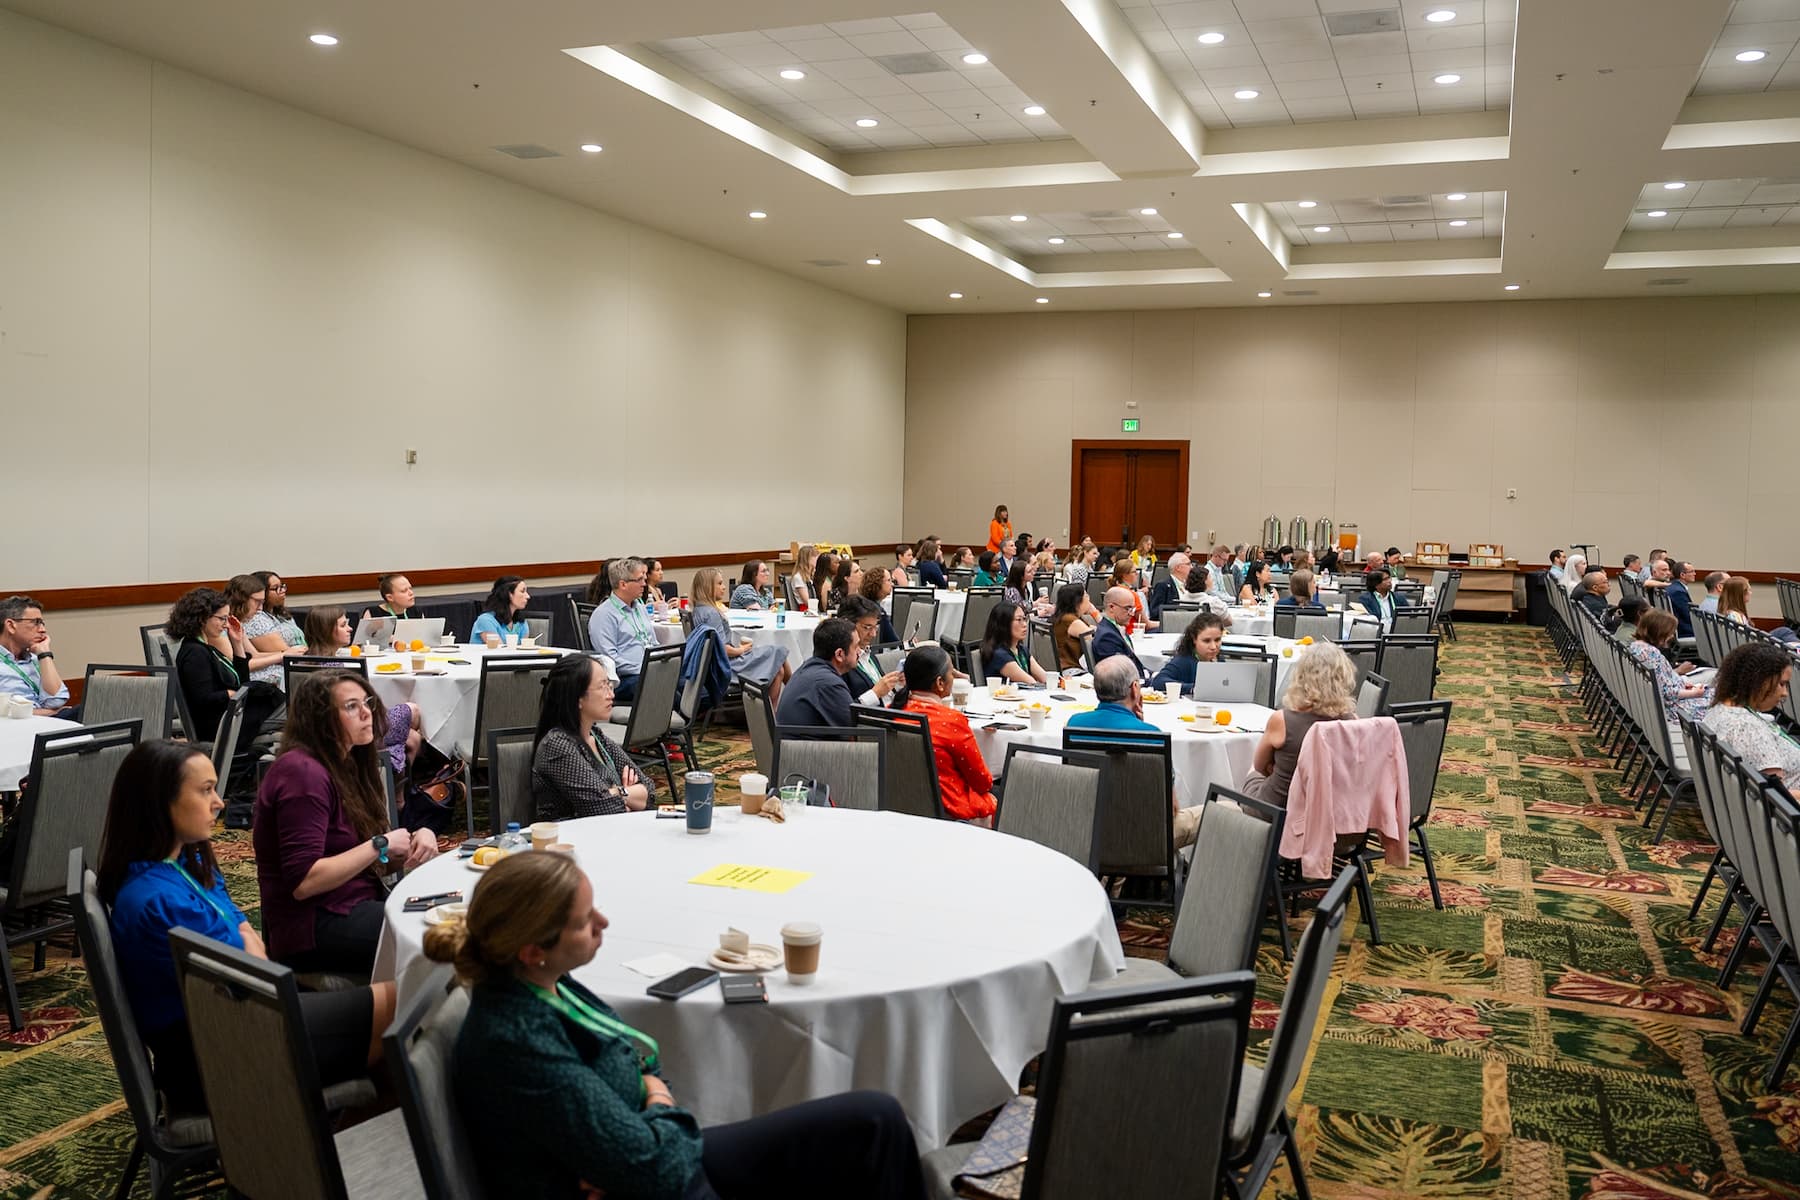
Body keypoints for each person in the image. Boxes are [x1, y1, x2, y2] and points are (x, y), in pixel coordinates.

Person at [422, 852, 925, 1200]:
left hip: (641, 1159)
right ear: (533, 950)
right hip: (644, 1185)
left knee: (875, 1120)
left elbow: (640, 1056)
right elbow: (656, 1168)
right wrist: (656, 1105)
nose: (604, 923)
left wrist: (644, 1115)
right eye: (583, 921)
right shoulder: (517, 1039)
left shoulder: (545, 981)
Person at [99, 740, 395, 1116]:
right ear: (161, 802)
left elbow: (234, 915)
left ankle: (353, 1137)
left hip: (238, 1023)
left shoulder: (179, 863)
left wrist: (245, 937)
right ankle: (343, 1152)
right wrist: (249, 943)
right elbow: (257, 975)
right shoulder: (159, 901)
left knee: (400, 1006)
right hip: (226, 1053)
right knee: (407, 1003)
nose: (220, 802)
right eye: (205, 790)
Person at [253, 669, 439, 976]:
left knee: (448, 912)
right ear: (320, 718)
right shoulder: (302, 773)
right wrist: (380, 844)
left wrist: (412, 842)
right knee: (437, 934)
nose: (367, 712)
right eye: (352, 706)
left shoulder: (345, 764)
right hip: (311, 927)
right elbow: (304, 883)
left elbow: (365, 860)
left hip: (352, 903)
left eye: (366, 702)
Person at [1068, 656, 1198, 847]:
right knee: (1230, 811)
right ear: (1135, 688)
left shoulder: (1074, 725)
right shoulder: (1152, 736)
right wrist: (1141, 726)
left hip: (1089, 835)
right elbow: (1171, 808)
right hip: (1144, 839)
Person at [531, 654, 654, 819]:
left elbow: (649, 790)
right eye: (602, 687)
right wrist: (624, 793)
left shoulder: (596, 736)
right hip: (568, 839)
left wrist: (616, 792)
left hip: (609, 833)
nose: (611, 695)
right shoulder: (557, 744)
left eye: (609, 686)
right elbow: (602, 807)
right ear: (578, 698)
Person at [1242, 641, 1358, 809]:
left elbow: (1260, 766)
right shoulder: (1352, 722)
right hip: (1323, 812)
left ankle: (1236, 825)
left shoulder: (1282, 720)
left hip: (1275, 810)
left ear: (1301, 676)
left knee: (1252, 770)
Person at [893, 645, 996, 824]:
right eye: (951, 674)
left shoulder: (891, 712)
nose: (954, 678)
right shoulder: (951, 721)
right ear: (940, 683)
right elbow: (982, 782)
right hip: (948, 811)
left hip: (899, 805)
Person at [167, 586, 282, 744]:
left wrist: (237, 643)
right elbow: (202, 699)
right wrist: (230, 694)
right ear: (202, 618)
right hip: (220, 725)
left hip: (229, 715)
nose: (226, 624)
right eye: (222, 618)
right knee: (298, 717)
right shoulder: (195, 653)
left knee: (291, 709)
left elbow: (239, 681)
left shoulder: (205, 648)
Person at [690, 568, 792, 707]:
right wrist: (741, 650)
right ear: (708, 587)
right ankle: (791, 698)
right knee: (779, 651)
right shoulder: (711, 614)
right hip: (726, 667)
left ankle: (773, 715)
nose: (724, 587)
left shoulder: (699, 610)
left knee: (778, 669)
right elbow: (722, 649)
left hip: (715, 665)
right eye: (719, 584)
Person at [1703, 643, 1800, 782]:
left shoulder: (1719, 710)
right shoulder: (1748, 729)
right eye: (1781, 684)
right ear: (1758, 680)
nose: (1785, 693)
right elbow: (1778, 797)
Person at [588, 558, 656, 703]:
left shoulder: (640, 608)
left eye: (644, 579)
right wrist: (644, 669)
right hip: (624, 678)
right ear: (623, 584)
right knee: (658, 688)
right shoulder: (604, 615)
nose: (644, 584)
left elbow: (653, 642)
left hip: (650, 670)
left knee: (691, 684)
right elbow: (609, 659)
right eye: (639, 580)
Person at [1626, 610, 1711, 722]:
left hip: (1670, 700)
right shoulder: (1651, 653)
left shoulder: (1636, 647)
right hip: (1675, 708)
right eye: (1669, 633)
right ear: (1659, 632)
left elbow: (1662, 683)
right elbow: (1667, 692)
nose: (1671, 637)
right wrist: (1694, 692)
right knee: (1720, 700)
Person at [775, 618, 859, 730]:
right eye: (856, 646)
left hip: (792, 744)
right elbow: (855, 730)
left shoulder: (808, 667)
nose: (860, 651)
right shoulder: (828, 684)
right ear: (839, 654)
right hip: (808, 747)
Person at [227, 573, 307, 687]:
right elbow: (241, 666)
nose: (260, 608)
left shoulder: (237, 623)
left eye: (262, 603)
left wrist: (287, 653)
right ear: (241, 599)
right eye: (257, 602)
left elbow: (255, 655)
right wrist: (283, 656)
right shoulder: (222, 629)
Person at [0, 595, 68, 715]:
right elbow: (6, 713)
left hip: (49, 725)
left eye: (42, 623)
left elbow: (56, 701)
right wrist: (49, 713)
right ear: (10, 625)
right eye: (36, 623)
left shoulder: (37, 659)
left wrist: (44, 654)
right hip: (17, 729)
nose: (42, 630)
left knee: (93, 710)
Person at [837, 596, 905, 707]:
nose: (873, 634)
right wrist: (875, 693)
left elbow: (886, 695)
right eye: (867, 627)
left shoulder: (868, 653)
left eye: (875, 627)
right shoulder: (841, 662)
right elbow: (844, 712)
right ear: (847, 625)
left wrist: (897, 685)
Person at [1151, 612, 1227, 697]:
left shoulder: (1219, 660)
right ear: (1194, 639)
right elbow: (1158, 681)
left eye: (1217, 640)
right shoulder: (1183, 661)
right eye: (1206, 641)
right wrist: (1192, 688)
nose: (1213, 647)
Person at [248, 570, 308, 675]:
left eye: (282, 586)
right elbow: (288, 655)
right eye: (276, 588)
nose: (282, 591)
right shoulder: (256, 619)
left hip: (300, 662)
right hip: (279, 670)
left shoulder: (281, 614)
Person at [980, 601, 1047, 686]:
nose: (1025, 624)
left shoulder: (1021, 650)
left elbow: (1045, 678)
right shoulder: (999, 655)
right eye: (1019, 620)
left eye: (1024, 619)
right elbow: (1031, 683)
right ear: (1004, 624)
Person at [1092, 587, 1149, 681]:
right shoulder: (1107, 637)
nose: (1131, 614)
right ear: (1111, 607)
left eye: (1133, 609)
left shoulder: (1116, 629)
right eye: (1128, 608)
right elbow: (1120, 676)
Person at [1050, 584, 1098, 670]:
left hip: (1061, 667)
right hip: (1072, 669)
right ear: (1078, 601)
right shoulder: (1071, 621)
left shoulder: (1063, 617)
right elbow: (1092, 643)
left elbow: (1093, 629)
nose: (1089, 599)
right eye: (1086, 595)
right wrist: (1095, 613)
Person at [471, 576, 531, 645]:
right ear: (509, 594)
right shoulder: (486, 620)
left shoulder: (521, 622)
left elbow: (524, 650)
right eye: (522, 591)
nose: (528, 596)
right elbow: (499, 652)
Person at [857, 566, 902, 645]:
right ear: (878, 584)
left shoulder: (860, 602)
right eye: (888, 580)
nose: (892, 584)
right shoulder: (878, 612)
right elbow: (894, 642)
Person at [1109, 559, 1154, 631]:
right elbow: (1146, 624)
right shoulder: (1131, 595)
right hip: (1132, 633)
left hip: (1115, 632)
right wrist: (1165, 623)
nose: (1137, 574)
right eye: (1134, 572)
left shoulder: (1111, 591)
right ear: (1125, 575)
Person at [1147, 553, 1193, 620]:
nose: (1191, 567)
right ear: (1178, 568)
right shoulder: (1163, 586)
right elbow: (1155, 612)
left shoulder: (1189, 585)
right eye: (1188, 564)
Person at [789, 545, 818, 612]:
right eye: (814, 556)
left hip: (813, 608)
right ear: (806, 558)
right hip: (805, 609)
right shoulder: (798, 577)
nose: (816, 558)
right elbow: (807, 601)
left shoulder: (810, 575)